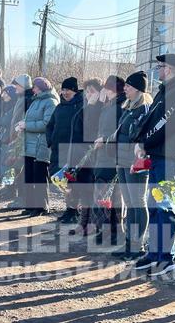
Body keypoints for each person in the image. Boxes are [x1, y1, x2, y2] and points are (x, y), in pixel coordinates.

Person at [133, 53, 175, 277]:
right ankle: (154, 253)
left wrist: (146, 143)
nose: (157, 70)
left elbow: (165, 125)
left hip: (170, 158)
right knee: (154, 205)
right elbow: (151, 119)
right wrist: (141, 141)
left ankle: (167, 257)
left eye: (160, 66)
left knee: (163, 207)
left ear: (169, 68)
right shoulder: (166, 90)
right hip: (159, 156)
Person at [109, 71, 152, 261]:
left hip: (135, 163)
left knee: (137, 203)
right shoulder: (128, 108)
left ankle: (138, 245)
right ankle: (129, 242)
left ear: (138, 89)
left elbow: (144, 136)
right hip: (122, 161)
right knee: (129, 203)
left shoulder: (145, 109)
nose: (124, 88)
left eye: (128, 86)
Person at [66, 77, 104, 237]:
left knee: (89, 192)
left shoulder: (98, 109)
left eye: (92, 91)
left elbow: (91, 129)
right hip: (78, 156)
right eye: (87, 91)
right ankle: (82, 223)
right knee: (82, 192)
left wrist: (93, 106)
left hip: (90, 157)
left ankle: (90, 225)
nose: (89, 94)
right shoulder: (85, 107)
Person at [15, 77, 58, 216]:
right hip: (29, 144)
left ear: (41, 88)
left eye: (35, 87)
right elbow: (31, 119)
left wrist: (27, 126)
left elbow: (47, 124)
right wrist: (23, 124)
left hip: (41, 145)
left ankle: (41, 207)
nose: (32, 89)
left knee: (39, 177)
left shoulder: (51, 102)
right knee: (29, 176)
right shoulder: (35, 101)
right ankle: (30, 205)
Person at [91, 76, 127, 243]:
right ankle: (104, 230)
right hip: (102, 156)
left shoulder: (119, 106)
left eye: (105, 87)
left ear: (110, 88)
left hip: (111, 157)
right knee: (103, 195)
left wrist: (104, 139)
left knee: (112, 197)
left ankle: (114, 231)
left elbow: (119, 132)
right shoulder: (108, 105)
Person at [46, 76, 85, 223]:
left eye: (67, 89)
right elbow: (49, 126)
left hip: (75, 151)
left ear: (75, 91)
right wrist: (50, 141)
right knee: (62, 181)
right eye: (63, 89)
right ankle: (68, 210)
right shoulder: (59, 107)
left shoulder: (82, 106)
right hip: (58, 150)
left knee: (73, 183)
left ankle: (74, 211)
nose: (64, 92)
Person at [2, 74, 34, 207]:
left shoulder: (28, 99)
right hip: (16, 138)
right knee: (16, 169)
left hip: (23, 140)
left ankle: (22, 199)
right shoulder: (21, 98)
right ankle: (18, 196)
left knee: (20, 170)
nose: (15, 87)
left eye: (17, 85)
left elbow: (25, 119)